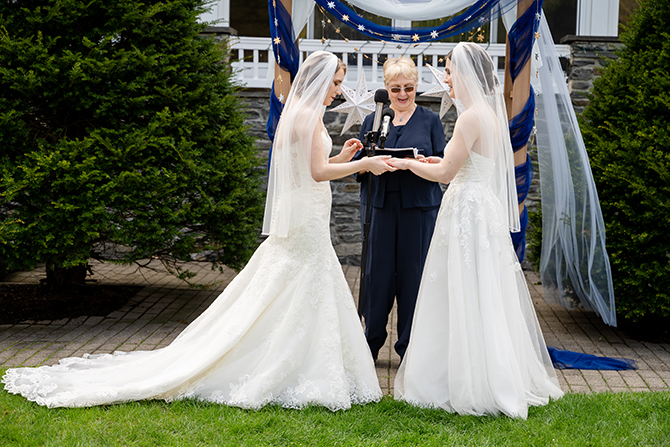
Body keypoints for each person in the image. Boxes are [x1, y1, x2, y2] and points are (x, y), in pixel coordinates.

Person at [2, 51, 393, 410]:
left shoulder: (303, 114)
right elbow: (316, 172)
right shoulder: (307, 116)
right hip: (307, 215)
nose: (338, 92)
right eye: (336, 84)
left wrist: (340, 155)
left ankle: (300, 358)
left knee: (293, 282)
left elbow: (312, 165)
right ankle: (282, 361)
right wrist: (362, 166)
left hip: (309, 210)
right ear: (320, 81)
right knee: (298, 280)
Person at [389, 43, 563, 419]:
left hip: (466, 209)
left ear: (465, 72)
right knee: (484, 292)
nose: (447, 78)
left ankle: (461, 379)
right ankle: (490, 371)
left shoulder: (469, 117)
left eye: (449, 70)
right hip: (483, 207)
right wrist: (436, 160)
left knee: (461, 288)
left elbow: (445, 174)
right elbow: (466, 162)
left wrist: (407, 165)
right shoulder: (491, 115)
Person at [356, 56, 445, 361]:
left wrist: (421, 163)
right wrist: (370, 164)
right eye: (396, 89)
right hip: (379, 206)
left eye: (408, 88)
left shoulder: (430, 121)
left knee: (413, 276)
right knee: (377, 277)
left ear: (416, 86)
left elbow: (443, 164)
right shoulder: (373, 119)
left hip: (418, 208)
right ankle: (369, 343)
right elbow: (360, 167)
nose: (402, 94)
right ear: (386, 89)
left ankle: (410, 347)